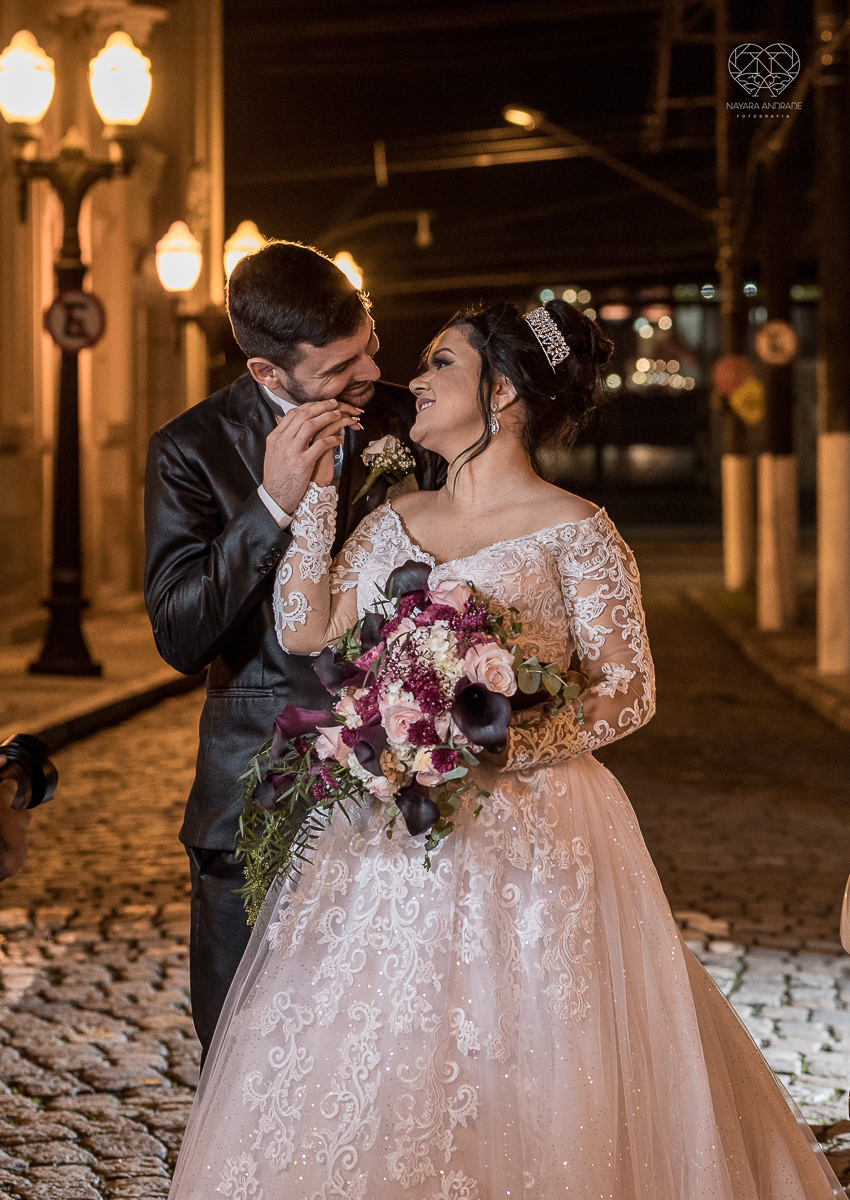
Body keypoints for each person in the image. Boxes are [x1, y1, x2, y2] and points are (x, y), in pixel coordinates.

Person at [168, 301, 842, 1198]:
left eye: (441, 363)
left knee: (533, 1050)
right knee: (383, 1049)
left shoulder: (577, 530)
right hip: (388, 834)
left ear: (505, 391)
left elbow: (628, 689)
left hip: (537, 836)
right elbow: (304, 628)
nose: (416, 380)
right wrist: (318, 492)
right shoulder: (390, 517)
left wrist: (495, 745)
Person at [143, 241, 444, 1060]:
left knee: (388, 1060)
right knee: (245, 1053)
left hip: (399, 788)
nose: (372, 371)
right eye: (343, 365)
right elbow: (179, 633)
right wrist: (271, 503)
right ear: (268, 373)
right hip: (253, 797)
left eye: (371, 343)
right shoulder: (189, 449)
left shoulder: (409, 421)